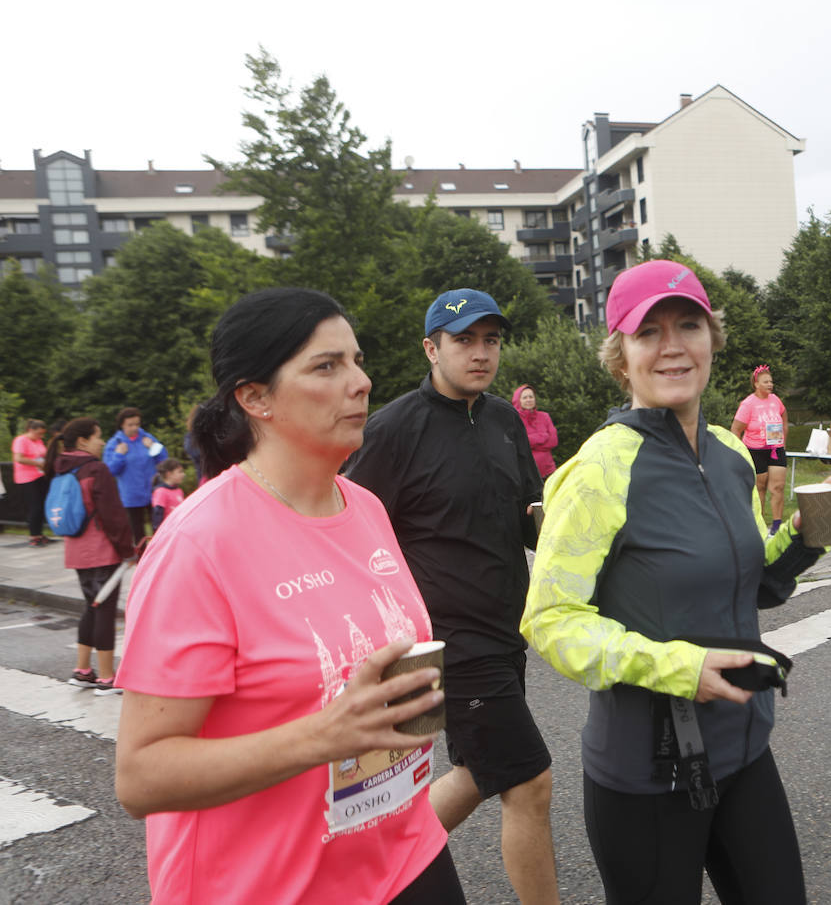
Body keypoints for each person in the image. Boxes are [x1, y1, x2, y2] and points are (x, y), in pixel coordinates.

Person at [114, 288, 463, 903]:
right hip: (269, 886)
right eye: (325, 366)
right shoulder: (198, 544)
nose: (360, 381)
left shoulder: (368, 508)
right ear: (254, 398)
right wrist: (323, 737)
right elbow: (141, 778)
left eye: (356, 360)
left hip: (407, 854)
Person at [522, 259, 831, 905]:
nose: (672, 346)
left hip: (744, 748)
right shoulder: (599, 470)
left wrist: (807, 538)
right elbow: (550, 620)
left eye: (688, 325)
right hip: (645, 778)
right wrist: (678, 668)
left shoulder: (729, 453)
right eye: (649, 333)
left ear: (712, 341)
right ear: (622, 357)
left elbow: (751, 587)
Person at [345, 288, 556, 903]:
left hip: (504, 630)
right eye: (464, 340)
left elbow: (526, 513)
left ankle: (370, 867)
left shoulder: (502, 419)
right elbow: (354, 532)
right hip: (444, 640)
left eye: (491, 340)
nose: (481, 352)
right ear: (431, 347)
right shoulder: (392, 429)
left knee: (476, 772)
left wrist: (583, 544)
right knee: (529, 781)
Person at [47, 417, 136, 695]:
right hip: (102, 550)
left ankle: (83, 670)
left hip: (75, 549)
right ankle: (107, 677)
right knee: (104, 611)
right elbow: (113, 516)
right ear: (83, 441)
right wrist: (128, 551)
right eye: (99, 436)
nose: (102, 442)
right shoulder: (96, 470)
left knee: (91, 607)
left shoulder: (61, 469)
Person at [731, 364, 789, 535]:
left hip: (775, 448)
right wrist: (740, 451)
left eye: (771, 382)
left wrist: (783, 442)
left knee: (778, 487)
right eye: (766, 382)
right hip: (755, 450)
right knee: (759, 489)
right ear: (756, 384)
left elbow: (785, 419)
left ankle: (777, 526)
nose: (770, 385)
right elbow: (735, 429)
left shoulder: (776, 400)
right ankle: (760, 524)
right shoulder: (748, 404)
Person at [103, 406, 166, 539]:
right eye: (130, 425)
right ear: (122, 425)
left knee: (160, 529)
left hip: (153, 491)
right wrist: (119, 455)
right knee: (137, 532)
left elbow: (165, 462)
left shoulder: (147, 438)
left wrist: (154, 447)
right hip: (131, 495)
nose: (134, 428)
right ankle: (141, 557)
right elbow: (110, 472)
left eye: (137, 424)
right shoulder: (114, 444)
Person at [12, 418, 52, 546]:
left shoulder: (39, 441)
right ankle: (34, 536)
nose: (41, 436)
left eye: (42, 434)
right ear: (30, 430)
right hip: (26, 478)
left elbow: (43, 455)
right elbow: (18, 458)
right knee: (35, 507)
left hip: (40, 476)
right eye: (38, 433)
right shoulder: (21, 440)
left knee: (41, 506)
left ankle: (39, 534)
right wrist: (37, 463)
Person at [513, 384, 560, 479]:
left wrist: (530, 442)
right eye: (525, 397)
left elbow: (553, 441)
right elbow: (518, 442)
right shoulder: (514, 419)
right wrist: (542, 437)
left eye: (531, 397)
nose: (529, 400)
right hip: (526, 473)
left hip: (549, 471)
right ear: (518, 400)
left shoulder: (544, 416)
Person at [149, 458, 186, 531]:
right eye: (180, 472)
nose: (183, 474)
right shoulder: (161, 492)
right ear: (169, 474)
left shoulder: (179, 491)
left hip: (179, 529)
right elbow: (158, 513)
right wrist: (157, 531)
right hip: (168, 531)